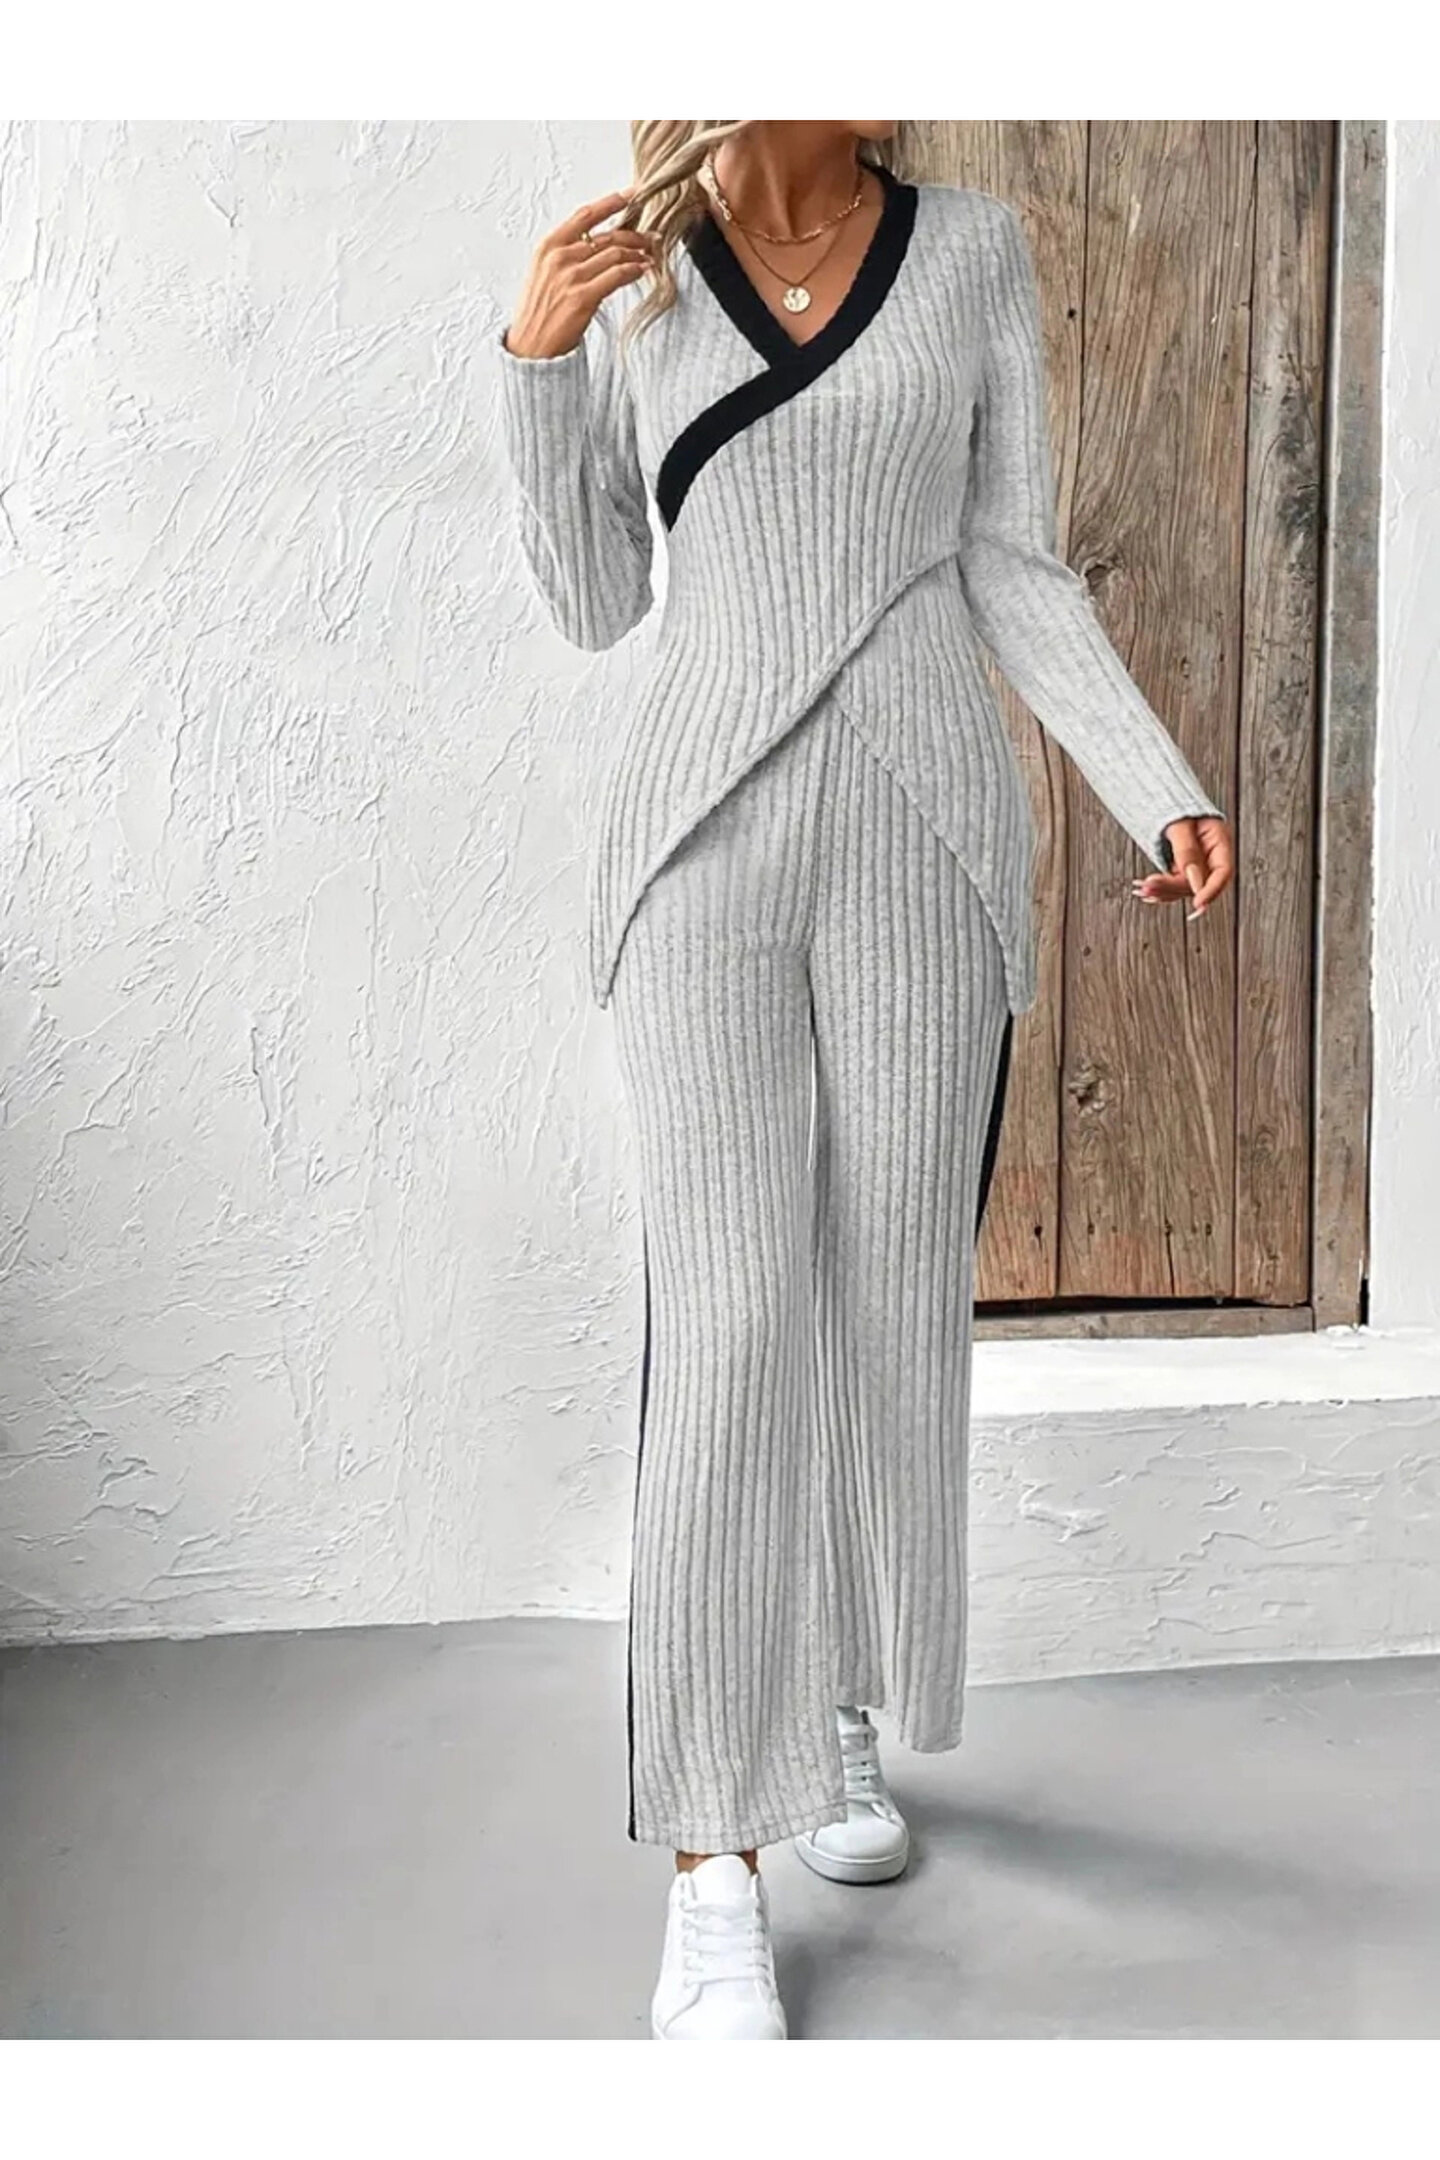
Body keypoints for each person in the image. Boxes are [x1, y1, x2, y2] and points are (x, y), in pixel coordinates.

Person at [496, 120, 1233, 2041]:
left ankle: (823, 1704)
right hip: (702, 847)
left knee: (887, 1303)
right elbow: (597, 599)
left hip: (927, 834)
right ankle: (710, 1868)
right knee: (729, 1318)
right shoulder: (645, 272)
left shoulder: (972, 253)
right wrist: (540, 364)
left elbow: (1013, 563)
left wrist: (1152, 778)